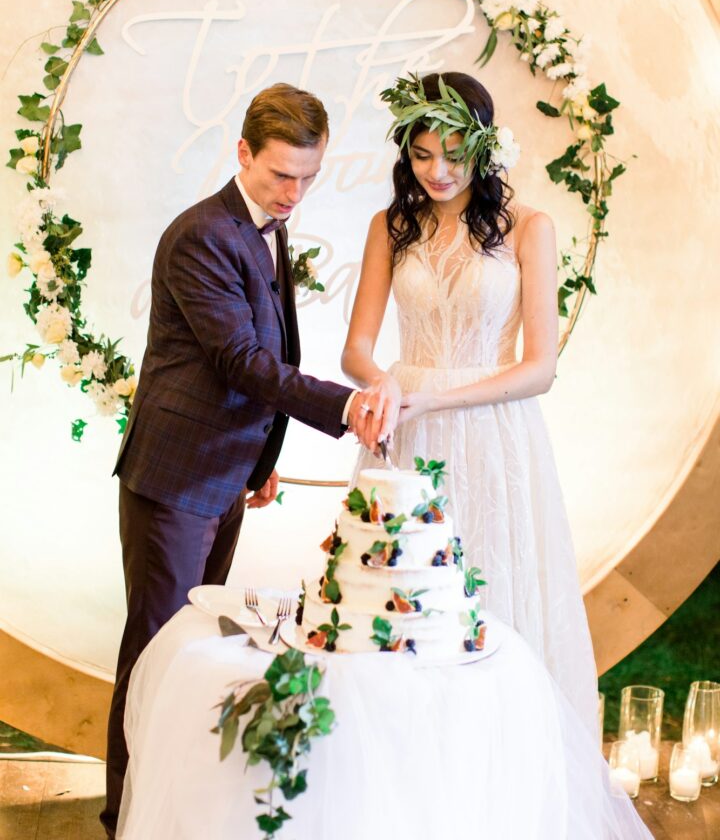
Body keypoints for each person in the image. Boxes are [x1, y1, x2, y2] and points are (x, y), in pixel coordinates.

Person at [101, 83, 377, 839]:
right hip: (175, 482)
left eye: (308, 178)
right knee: (156, 658)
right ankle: (124, 818)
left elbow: (257, 355)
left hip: (222, 476)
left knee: (191, 653)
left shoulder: (264, 225)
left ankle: (173, 811)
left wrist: (261, 461)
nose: (293, 193)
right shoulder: (203, 235)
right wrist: (345, 406)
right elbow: (239, 359)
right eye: (279, 175)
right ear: (242, 154)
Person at [341, 71, 599, 734]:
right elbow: (357, 350)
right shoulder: (391, 227)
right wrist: (391, 385)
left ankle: (497, 756)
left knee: (491, 589)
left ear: (483, 149)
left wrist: (434, 399)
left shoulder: (528, 228)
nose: (438, 170)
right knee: (402, 605)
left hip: (493, 435)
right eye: (422, 154)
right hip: (406, 434)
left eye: (454, 154)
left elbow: (540, 368)